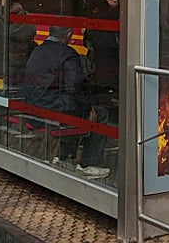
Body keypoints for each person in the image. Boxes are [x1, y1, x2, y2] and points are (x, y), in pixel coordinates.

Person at [22, 26, 109, 179]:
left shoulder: (38, 50)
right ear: (68, 35)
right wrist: (88, 107)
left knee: (72, 108)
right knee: (98, 113)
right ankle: (89, 164)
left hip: (31, 107)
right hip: (50, 107)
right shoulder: (67, 53)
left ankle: (64, 157)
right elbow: (76, 86)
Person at [84, 0, 120, 92]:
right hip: (105, 64)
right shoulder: (101, 16)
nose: (115, 0)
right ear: (101, 1)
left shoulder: (110, 16)